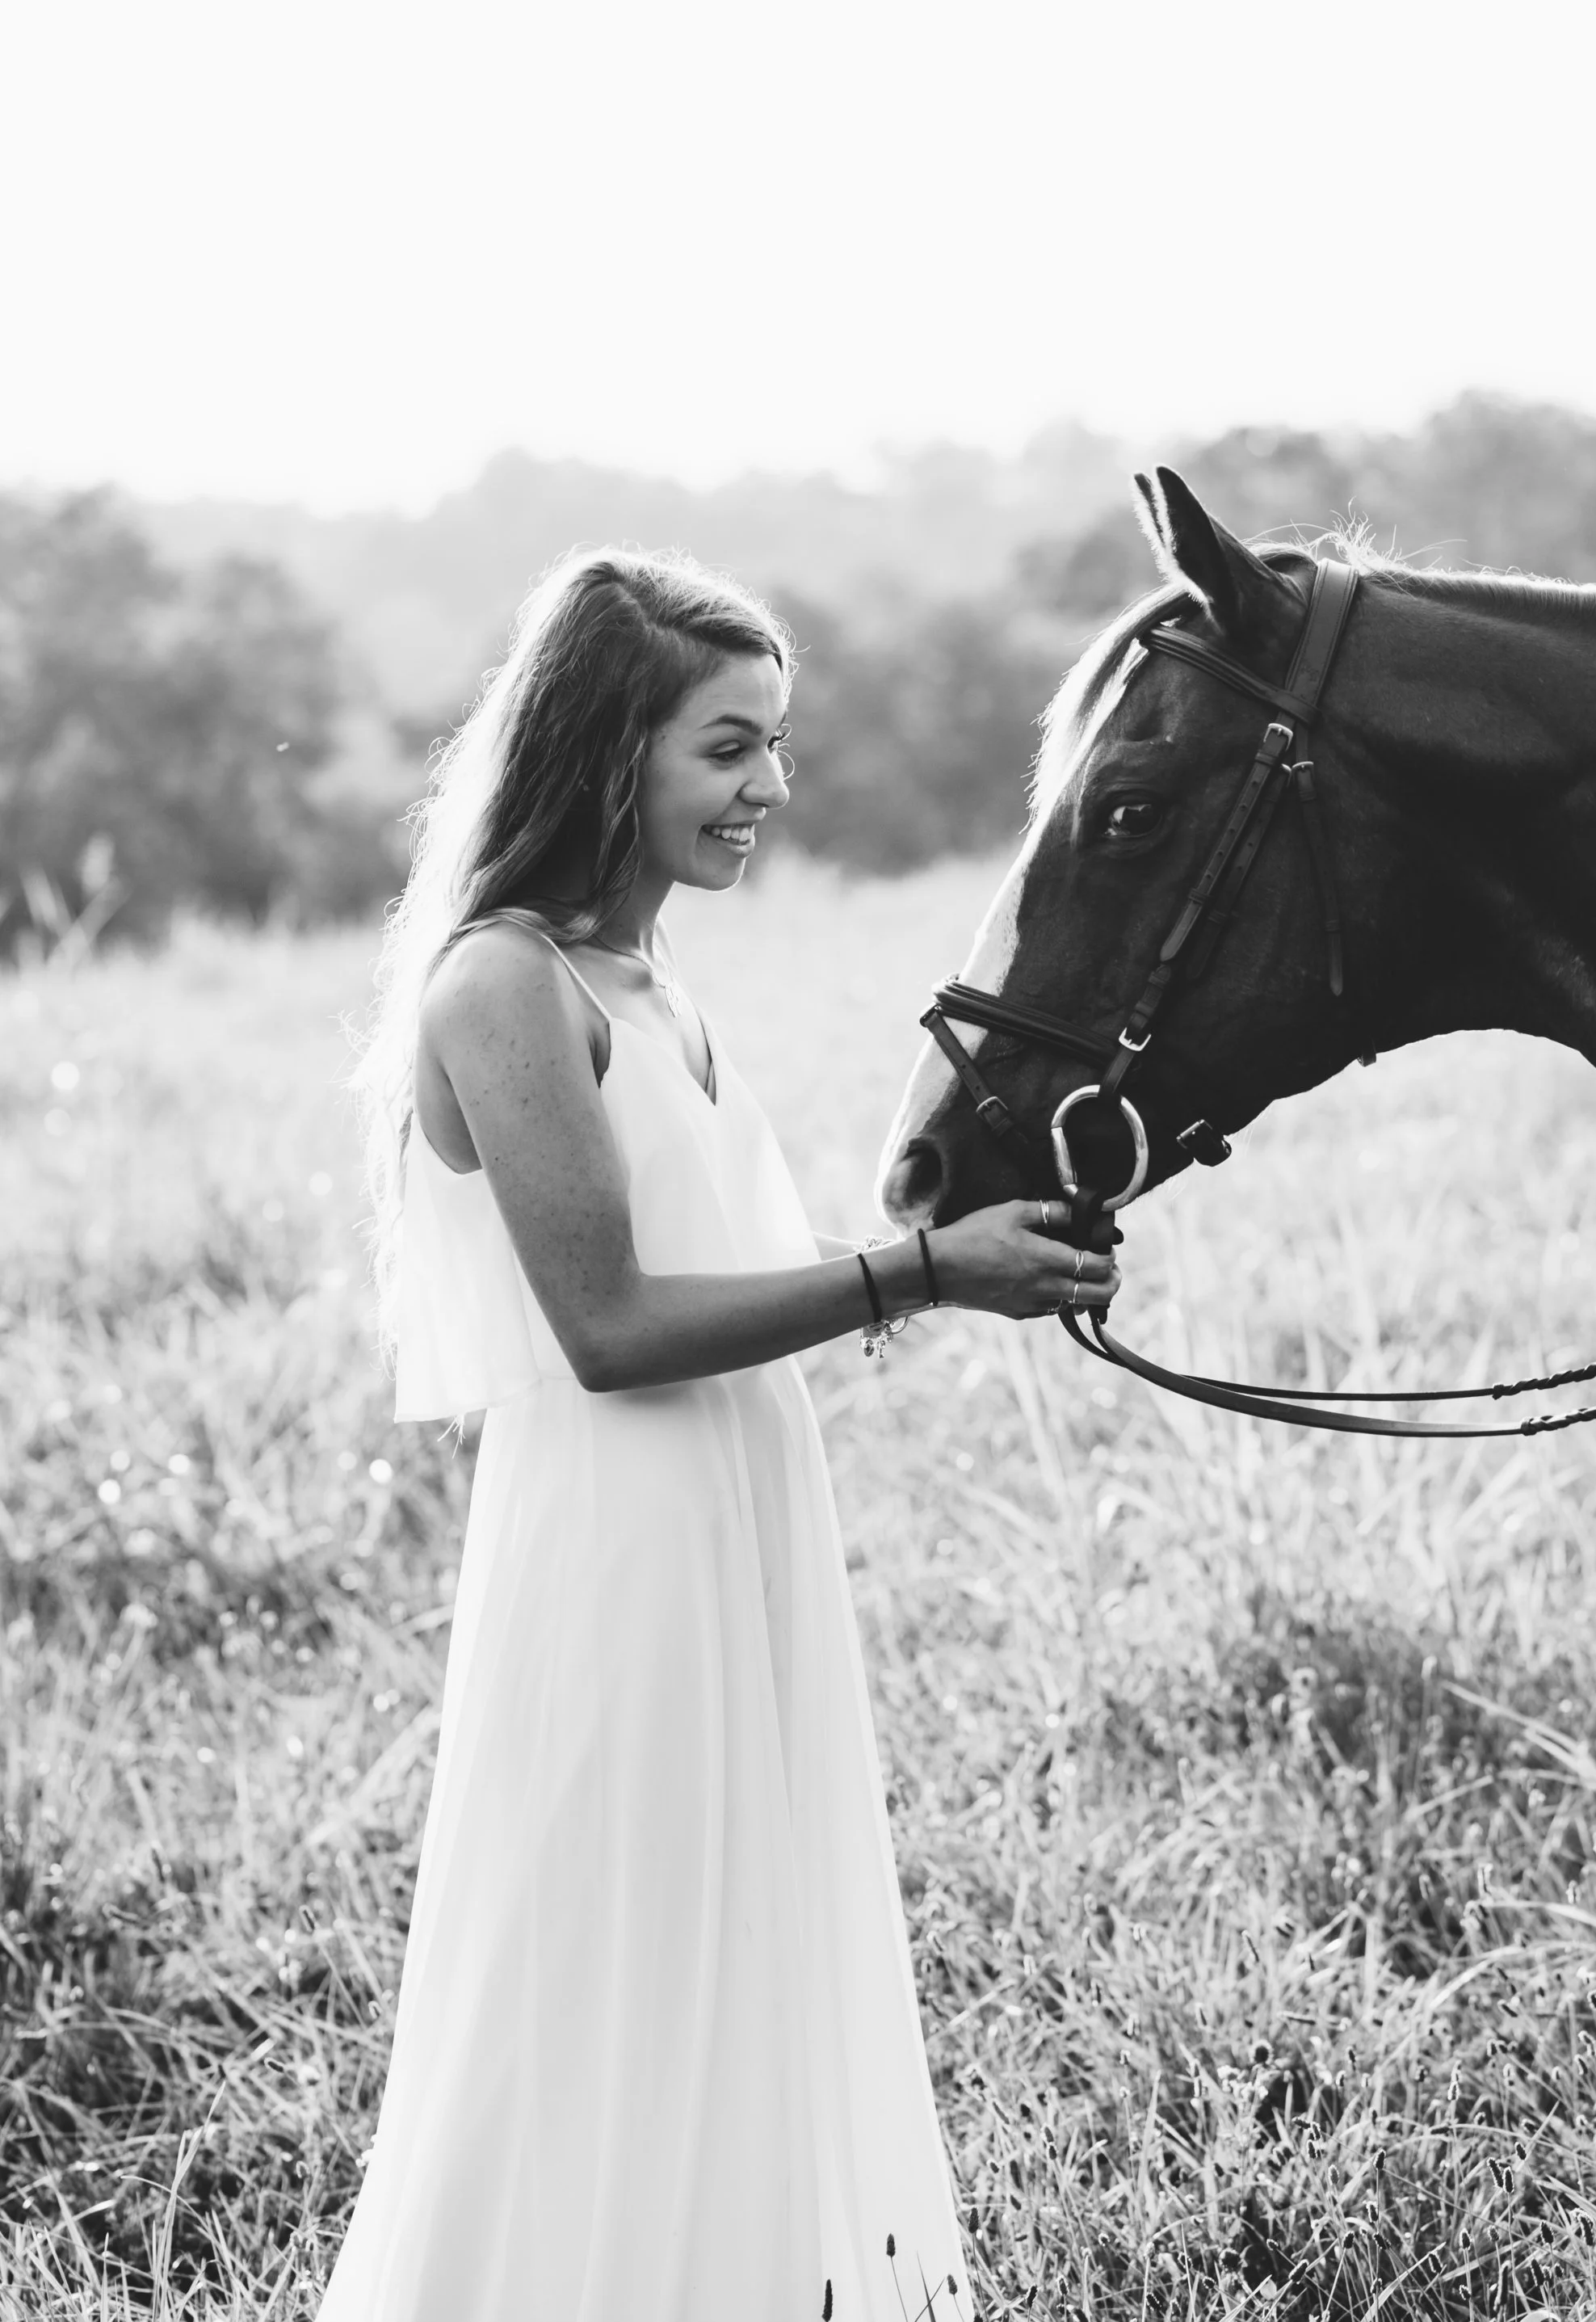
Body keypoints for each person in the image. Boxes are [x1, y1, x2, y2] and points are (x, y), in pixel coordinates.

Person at [326, 547, 1119, 2321]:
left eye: (773, 746)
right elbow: (606, 1331)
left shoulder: (652, 985)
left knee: (732, 1950)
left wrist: (990, 1243)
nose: (769, 787)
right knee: (606, 1959)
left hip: (740, 1512)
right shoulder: (501, 988)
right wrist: (920, 1273)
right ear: (607, 753)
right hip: (616, 1540)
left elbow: (756, 1283)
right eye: (727, 748)